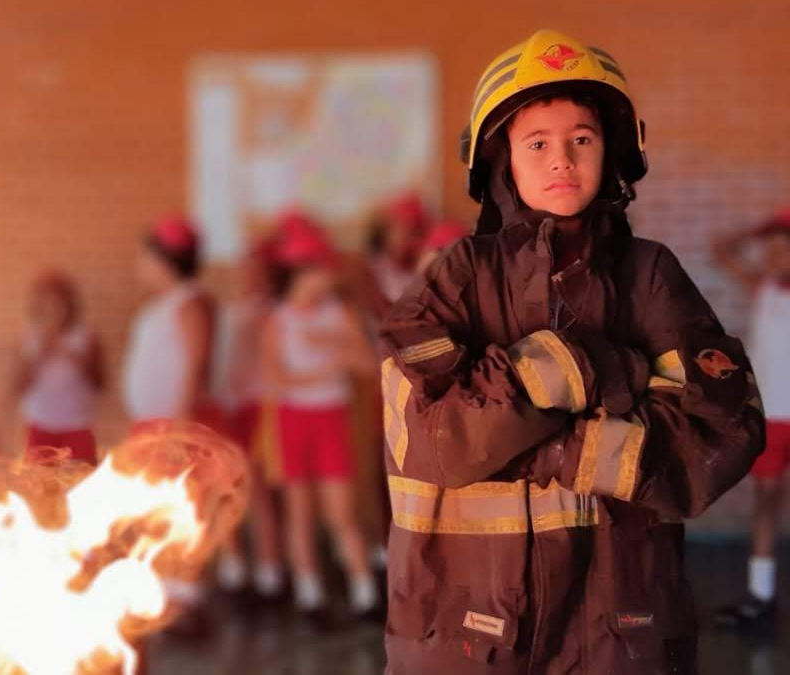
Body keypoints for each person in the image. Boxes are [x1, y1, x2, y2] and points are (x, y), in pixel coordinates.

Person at [379, 29, 764, 673]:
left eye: (581, 139)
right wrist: (592, 366)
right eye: (537, 143)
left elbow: (718, 434)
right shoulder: (457, 278)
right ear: (500, 160)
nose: (562, 159)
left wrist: (554, 445)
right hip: (468, 638)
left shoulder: (651, 277)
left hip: (619, 634)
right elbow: (432, 436)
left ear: (613, 150)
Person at [264, 217, 379, 622]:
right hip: (294, 417)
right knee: (299, 509)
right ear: (303, 273)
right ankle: (309, 592)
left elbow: (369, 364)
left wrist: (334, 347)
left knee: (341, 511)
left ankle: (363, 589)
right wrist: (326, 368)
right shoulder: (279, 317)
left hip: (331, 415)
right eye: (320, 271)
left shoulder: (338, 313)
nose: (327, 278)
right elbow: (278, 378)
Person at [122, 215, 219, 637]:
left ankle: (184, 599)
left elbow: (196, 365)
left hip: (172, 425)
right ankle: (165, 593)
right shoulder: (164, 303)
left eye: (145, 258)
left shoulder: (190, 302)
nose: (139, 266)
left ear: (165, 260)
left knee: (178, 508)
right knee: (155, 509)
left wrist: (180, 428)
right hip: (153, 423)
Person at [711, 209, 790, 629]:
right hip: (773, 418)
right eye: (770, 251)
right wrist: (756, 227)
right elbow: (720, 250)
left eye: (783, 251)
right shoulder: (762, 289)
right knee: (766, 504)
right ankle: (761, 596)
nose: (774, 258)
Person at [213, 239, 284, 601]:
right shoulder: (227, 310)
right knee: (226, 486)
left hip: (256, 405)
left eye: (254, 269)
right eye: (242, 269)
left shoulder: (269, 311)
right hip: (228, 405)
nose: (246, 276)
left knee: (257, 490)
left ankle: (269, 571)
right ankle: (234, 565)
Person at [14, 270, 104, 465]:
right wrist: (39, 355)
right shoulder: (30, 337)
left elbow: (99, 382)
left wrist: (75, 358)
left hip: (76, 424)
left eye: (58, 303)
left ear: (69, 304)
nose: (53, 309)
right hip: (40, 424)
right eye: (47, 303)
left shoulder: (86, 336)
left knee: (80, 482)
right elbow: (19, 385)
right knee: (40, 486)